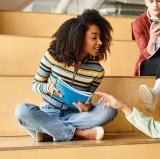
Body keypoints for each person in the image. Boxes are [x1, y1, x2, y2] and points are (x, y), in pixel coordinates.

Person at [15, 9, 117, 142]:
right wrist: (48, 88)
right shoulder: (52, 57)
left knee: (110, 110)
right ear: (79, 38)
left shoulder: (97, 71)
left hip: (74, 116)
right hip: (48, 113)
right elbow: (35, 85)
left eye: (100, 38)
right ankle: (80, 134)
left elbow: (87, 100)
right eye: (94, 37)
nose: (100, 42)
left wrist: (87, 107)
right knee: (22, 111)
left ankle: (49, 133)